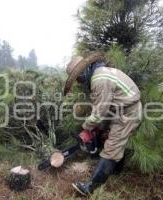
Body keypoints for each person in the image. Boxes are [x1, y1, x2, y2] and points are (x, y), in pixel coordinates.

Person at [63, 52, 142, 196]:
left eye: (79, 78)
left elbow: (99, 114)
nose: (80, 81)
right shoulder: (101, 73)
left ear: (85, 70)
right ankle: (116, 171)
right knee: (109, 138)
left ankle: (89, 187)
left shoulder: (99, 80)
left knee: (112, 147)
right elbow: (101, 106)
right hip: (119, 109)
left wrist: (86, 127)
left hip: (127, 113)